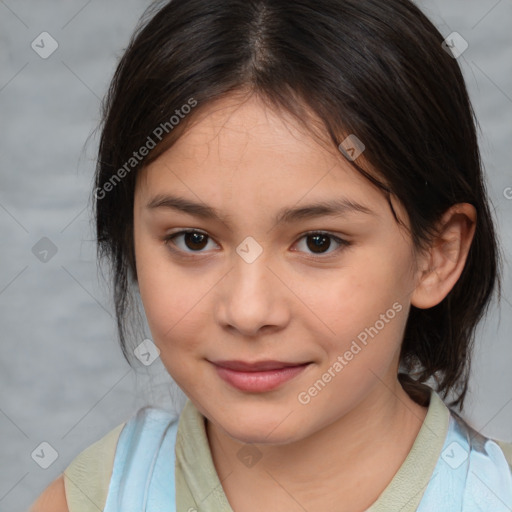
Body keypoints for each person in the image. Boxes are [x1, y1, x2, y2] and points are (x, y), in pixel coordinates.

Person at [30, 0, 512, 510]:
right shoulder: (87, 500)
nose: (248, 311)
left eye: (318, 242)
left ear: (436, 255)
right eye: (193, 240)